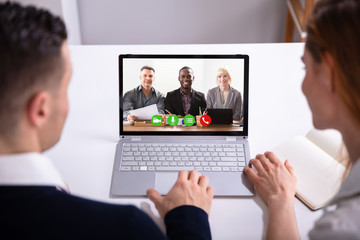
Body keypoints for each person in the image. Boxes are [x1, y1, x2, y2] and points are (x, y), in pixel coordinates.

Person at [0, 2, 214, 239]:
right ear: (41, 109)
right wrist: (190, 216)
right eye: (65, 87)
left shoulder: (165, 96)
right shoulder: (127, 228)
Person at [243, 0, 360, 239]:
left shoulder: (342, 227)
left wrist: (280, 200)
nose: (303, 86)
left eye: (305, 68)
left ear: (329, 73)